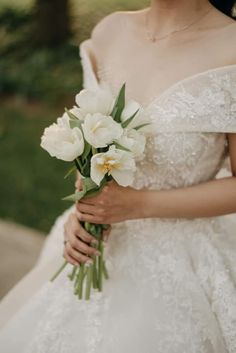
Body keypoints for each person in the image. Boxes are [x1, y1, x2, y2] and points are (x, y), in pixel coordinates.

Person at [0, 0, 236, 352]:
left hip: (183, 264)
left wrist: (137, 204)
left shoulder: (230, 48)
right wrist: (85, 206)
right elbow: (90, 148)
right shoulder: (110, 31)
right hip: (95, 247)